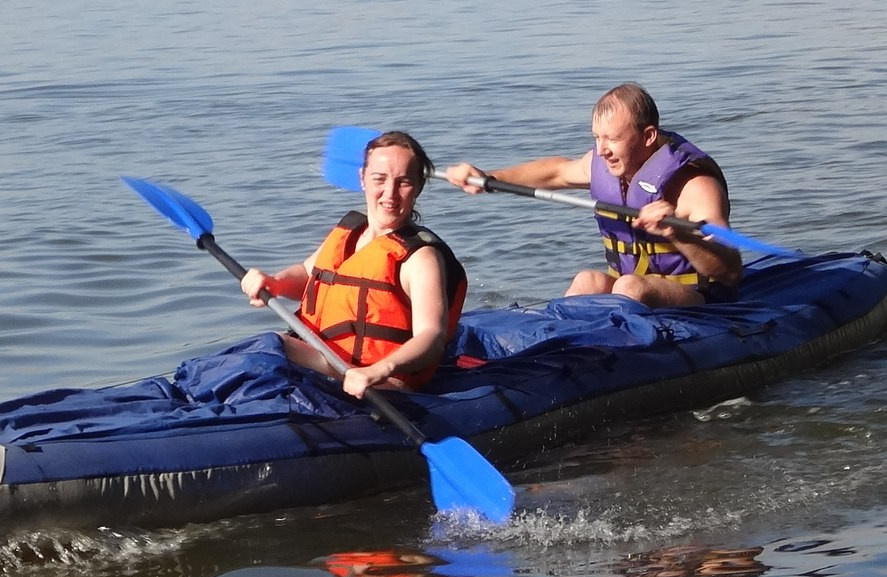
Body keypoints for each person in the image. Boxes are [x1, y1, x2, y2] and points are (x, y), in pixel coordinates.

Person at [444, 83, 736, 305]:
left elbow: (730, 271)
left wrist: (678, 234)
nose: (601, 150)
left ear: (648, 136)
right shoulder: (606, 164)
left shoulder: (694, 185)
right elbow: (555, 172)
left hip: (698, 298)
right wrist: (488, 178)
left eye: (613, 138)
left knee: (629, 287)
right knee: (587, 280)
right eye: (597, 137)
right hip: (634, 290)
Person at [242, 130, 467, 398]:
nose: (390, 193)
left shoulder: (421, 258)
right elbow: (307, 275)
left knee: (272, 345)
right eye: (379, 179)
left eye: (403, 182)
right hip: (324, 362)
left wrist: (380, 369)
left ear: (418, 186)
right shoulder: (350, 233)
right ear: (362, 179)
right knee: (261, 350)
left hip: (380, 383)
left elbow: (431, 337)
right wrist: (275, 282)